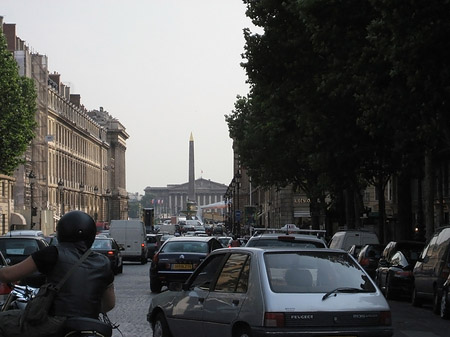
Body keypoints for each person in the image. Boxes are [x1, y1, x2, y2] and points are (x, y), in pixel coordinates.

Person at [0, 210, 115, 337]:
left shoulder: (52, 253)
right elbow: (110, 303)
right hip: (90, 324)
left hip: (56, 324)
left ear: (62, 232)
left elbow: (8, 275)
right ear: (91, 235)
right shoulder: (104, 262)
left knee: (3, 321)